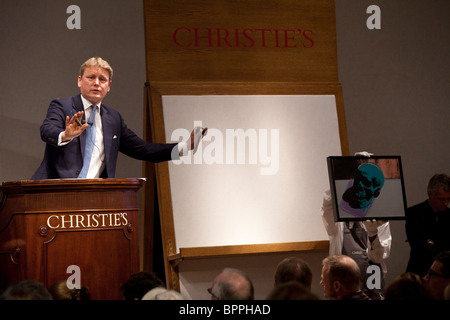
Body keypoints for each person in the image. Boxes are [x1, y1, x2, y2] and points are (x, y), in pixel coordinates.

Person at [31, 57, 206, 180]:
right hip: (55, 192)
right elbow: (47, 131)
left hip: (95, 195)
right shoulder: (62, 106)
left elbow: (143, 149)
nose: (97, 83)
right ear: (79, 81)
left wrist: (186, 147)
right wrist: (66, 135)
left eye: (102, 79)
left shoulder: (113, 119)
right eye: (91, 77)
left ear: (109, 86)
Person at [321, 189, 391, 300]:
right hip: (344, 292)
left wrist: (372, 232)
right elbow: (327, 208)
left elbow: (379, 257)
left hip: (373, 287)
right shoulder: (337, 224)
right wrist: (336, 183)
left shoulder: (379, 219)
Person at [405, 174, 450, 277]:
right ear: (429, 193)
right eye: (442, 199)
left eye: (448, 199)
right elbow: (419, 247)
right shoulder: (414, 213)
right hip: (419, 272)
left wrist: (431, 242)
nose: (446, 203)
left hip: (445, 275)